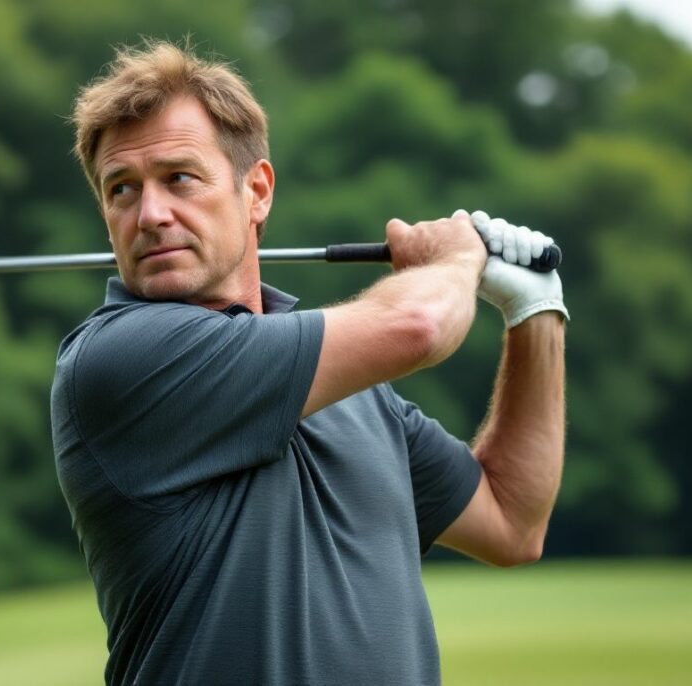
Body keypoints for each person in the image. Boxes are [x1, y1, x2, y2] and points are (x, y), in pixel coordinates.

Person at [50, 40, 567, 686]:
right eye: (121, 190)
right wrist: (458, 258)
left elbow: (514, 521)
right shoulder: (119, 362)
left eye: (178, 178)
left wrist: (536, 311)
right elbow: (418, 325)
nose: (150, 215)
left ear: (257, 191)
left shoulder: (356, 392)